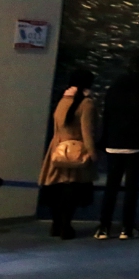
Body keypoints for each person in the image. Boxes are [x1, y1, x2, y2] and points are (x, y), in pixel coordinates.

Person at [94, 49, 139, 240]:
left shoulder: (114, 89)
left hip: (113, 144)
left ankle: (104, 227)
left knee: (111, 186)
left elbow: (106, 116)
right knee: (132, 188)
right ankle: (127, 228)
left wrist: (103, 141)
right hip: (136, 144)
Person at [38, 69, 98, 239]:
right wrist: (93, 155)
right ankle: (65, 226)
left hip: (57, 150)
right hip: (76, 153)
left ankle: (56, 225)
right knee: (71, 190)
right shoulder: (87, 104)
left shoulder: (62, 100)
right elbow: (88, 132)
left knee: (56, 190)